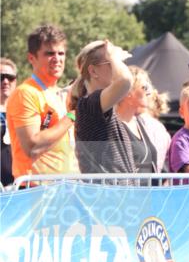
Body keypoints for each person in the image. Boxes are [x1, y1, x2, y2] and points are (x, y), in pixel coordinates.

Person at [5, 25, 78, 182]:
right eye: (49, 53)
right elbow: (32, 146)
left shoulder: (61, 94)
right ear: (31, 58)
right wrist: (71, 116)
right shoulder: (25, 93)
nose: (57, 59)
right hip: (36, 188)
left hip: (67, 186)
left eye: (61, 53)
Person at [70, 40, 135, 173]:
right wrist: (113, 56)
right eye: (111, 63)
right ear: (93, 71)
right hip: (105, 187)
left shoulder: (96, 105)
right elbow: (125, 80)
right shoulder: (88, 105)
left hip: (115, 187)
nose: (117, 68)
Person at [115, 67, 159, 173]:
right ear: (128, 92)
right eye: (145, 87)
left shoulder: (139, 123)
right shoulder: (114, 127)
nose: (149, 92)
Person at [0, 58, 18, 186]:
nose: (5, 81)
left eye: (10, 78)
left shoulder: (25, 111)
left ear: (15, 81)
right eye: (1, 77)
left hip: (21, 185)